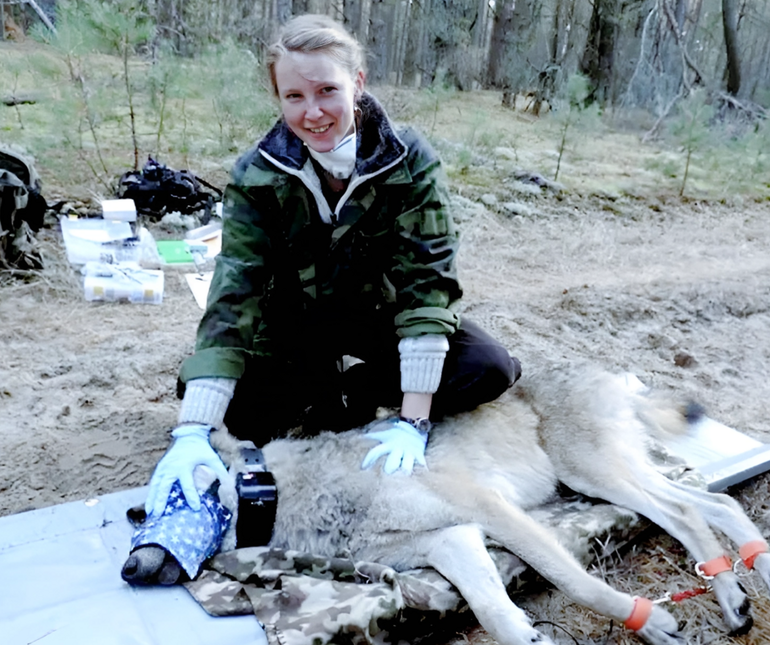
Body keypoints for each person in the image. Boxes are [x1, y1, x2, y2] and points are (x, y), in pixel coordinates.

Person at [124, 14, 521, 584]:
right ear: (278, 98)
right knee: (211, 406)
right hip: (292, 331)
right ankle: (325, 395)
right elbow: (234, 294)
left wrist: (413, 418)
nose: (313, 112)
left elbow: (426, 282)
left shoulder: (408, 160)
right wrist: (190, 432)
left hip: (377, 320)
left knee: (488, 368)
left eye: (327, 90)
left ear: (357, 83)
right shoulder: (258, 175)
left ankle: (354, 394)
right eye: (295, 96)